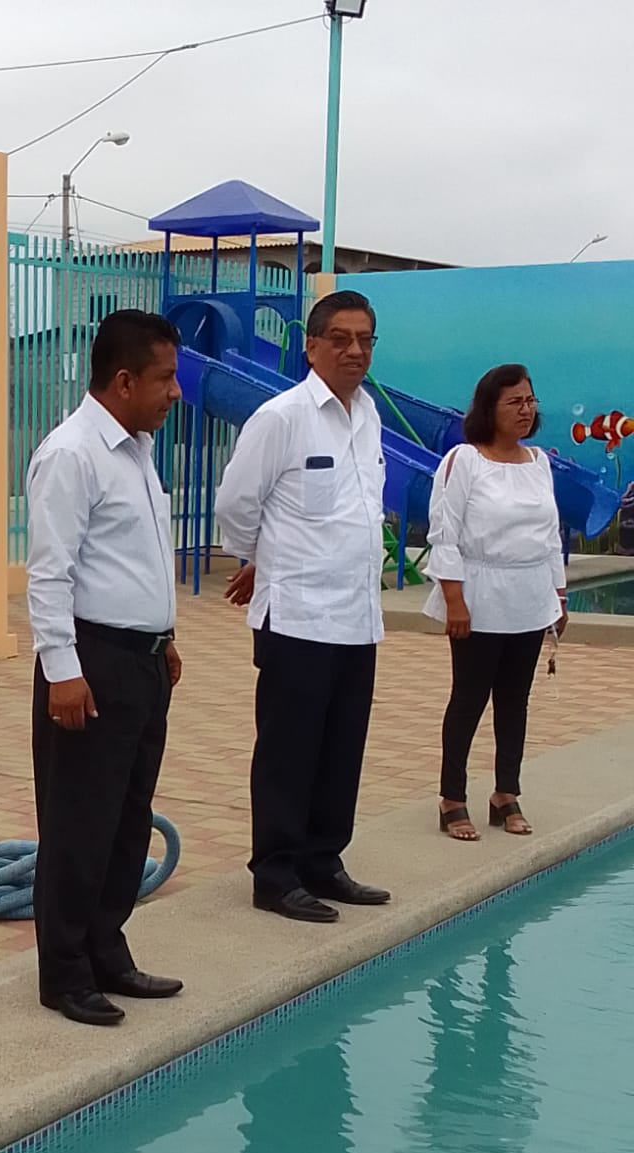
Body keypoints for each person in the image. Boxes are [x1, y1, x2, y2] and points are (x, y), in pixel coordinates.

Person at [26, 309, 183, 1026]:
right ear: (123, 381)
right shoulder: (72, 454)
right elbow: (50, 573)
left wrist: (164, 635)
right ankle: (64, 972)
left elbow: (132, 560)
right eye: (164, 378)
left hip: (141, 663)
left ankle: (106, 950)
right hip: (89, 664)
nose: (174, 391)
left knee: (126, 820)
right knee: (79, 825)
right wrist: (62, 669)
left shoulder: (137, 451)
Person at [214, 290, 391, 924]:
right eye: (340, 338)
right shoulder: (282, 417)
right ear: (311, 347)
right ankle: (275, 874)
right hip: (297, 618)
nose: (354, 350)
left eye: (365, 339)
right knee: (288, 753)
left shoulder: (368, 415)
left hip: (357, 617)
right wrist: (265, 557)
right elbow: (235, 505)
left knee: (342, 749)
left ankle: (323, 860)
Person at [426, 364, 567, 841]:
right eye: (515, 402)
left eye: (530, 401)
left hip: (530, 595)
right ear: (490, 408)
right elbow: (444, 534)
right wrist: (454, 599)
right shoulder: (464, 461)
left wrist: (558, 595)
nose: (526, 410)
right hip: (480, 594)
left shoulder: (538, 462)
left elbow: (550, 537)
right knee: (468, 699)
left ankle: (506, 792)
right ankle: (452, 797)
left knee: (514, 701)